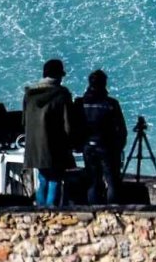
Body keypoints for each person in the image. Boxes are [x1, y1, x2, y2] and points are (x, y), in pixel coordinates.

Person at [24, 59, 80, 207]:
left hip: (35, 147)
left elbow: (24, 121)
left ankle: (40, 210)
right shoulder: (62, 94)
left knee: (43, 178)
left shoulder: (29, 94)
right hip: (55, 146)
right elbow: (68, 124)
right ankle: (52, 212)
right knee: (55, 179)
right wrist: (72, 143)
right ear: (58, 76)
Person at [77, 70, 128, 204]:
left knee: (93, 181)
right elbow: (121, 129)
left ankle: (94, 211)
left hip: (88, 145)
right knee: (112, 181)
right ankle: (113, 211)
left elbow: (75, 125)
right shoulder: (111, 103)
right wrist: (119, 146)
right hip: (107, 146)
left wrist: (79, 144)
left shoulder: (80, 103)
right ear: (104, 83)